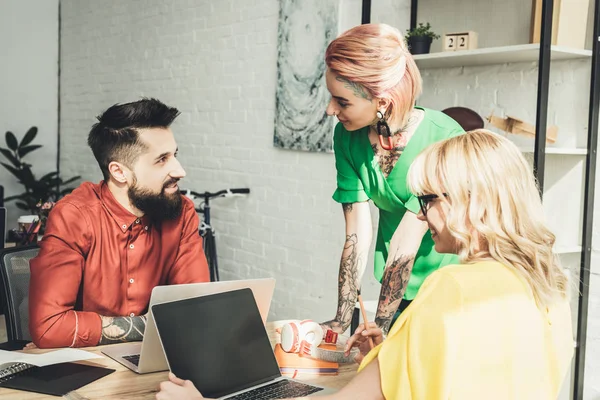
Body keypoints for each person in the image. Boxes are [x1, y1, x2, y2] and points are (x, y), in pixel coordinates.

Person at [155, 129, 574, 399]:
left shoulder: (453, 288)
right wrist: (391, 357)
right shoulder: (547, 284)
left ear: (467, 201)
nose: (422, 215)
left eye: (427, 200)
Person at [319, 23, 465, 337]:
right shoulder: (347, 138)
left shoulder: (443, 138)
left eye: (342, 102)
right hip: (393, 286)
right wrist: (341, 320)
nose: (330, 110)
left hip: (446, 287)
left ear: (382, 102)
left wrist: (381, 328)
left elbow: (408, 238)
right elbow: (356, 234)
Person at [29, 98, 210, 349]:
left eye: (175, 156)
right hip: (87, 366)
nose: (180, 171)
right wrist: (157, 326)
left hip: (156, 362)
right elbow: (49, 327)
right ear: (119, 172)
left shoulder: (182, 213)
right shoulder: (74, 216)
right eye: (162, 159)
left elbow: (197, 310)